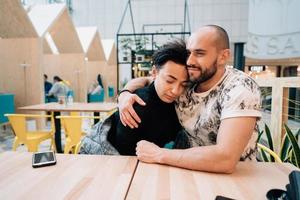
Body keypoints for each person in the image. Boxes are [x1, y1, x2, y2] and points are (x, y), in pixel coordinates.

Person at [118, 25, 262, 173]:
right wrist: (125, 93)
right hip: (190, 169)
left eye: (199, 53)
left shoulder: (240, 88)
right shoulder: (190, 80)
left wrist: (159, 154)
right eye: (189, 53)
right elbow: (151, 80)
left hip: (238, 176)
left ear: (223, 56)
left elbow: (225, 159)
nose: (190, 61)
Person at [80, 39, 189, 155]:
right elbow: (125, 158)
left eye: (184, 84)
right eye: (169, 80)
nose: (176, 91)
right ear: (154, 73)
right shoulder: (138, 105)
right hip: (104, 159)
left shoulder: (178, 102)